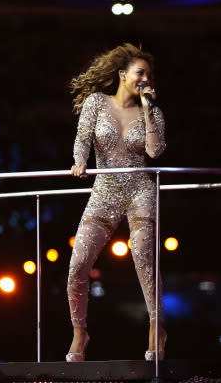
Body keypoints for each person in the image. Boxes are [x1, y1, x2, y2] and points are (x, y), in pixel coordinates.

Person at [67, 43, 167, 362]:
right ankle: (80, 331)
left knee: (143, 259)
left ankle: (156, 326)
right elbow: (83, 138)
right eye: (140, 73)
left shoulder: (153, 110)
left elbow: (155, 152)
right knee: (78, 265)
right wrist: (79, 161)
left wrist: (150, 108)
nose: (145, 79)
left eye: (149, 75)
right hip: (105, 190)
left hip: (140, 190)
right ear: (123, 75)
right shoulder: (98, 102)